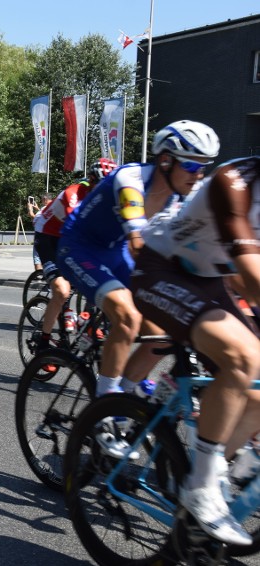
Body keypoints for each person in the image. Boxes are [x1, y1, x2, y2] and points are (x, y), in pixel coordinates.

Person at [131, 156, 260, 546]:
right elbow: (253, 283)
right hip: (162, 270)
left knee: (256, 389)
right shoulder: (233, 180)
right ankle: (199, 487)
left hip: (212, 280)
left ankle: (214, 468)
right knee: (244, 358)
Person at [57, 121, 220, 402]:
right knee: (128, 316)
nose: (198, 175)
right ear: (166, 161)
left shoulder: (184, 197)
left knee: (163, 334)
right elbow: (138, 244)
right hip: (79, 248)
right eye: (192, 166)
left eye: (204, 167)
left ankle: (128, 395)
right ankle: (104, 405)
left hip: (114, 251)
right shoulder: (131, 178)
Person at [32, 159, 117, 352]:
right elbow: (79, 231)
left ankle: (85, 323)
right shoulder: (73, 194)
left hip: (70, 238)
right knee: (62, 290)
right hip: (48, 236)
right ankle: (44, 340)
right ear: (92, 181)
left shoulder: (108, 198)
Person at [27, 193, 50, 271]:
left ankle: (39, 276)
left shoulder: (44, 208)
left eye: (42, 200)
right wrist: (37, 208)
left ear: (45, 200)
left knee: (37, 257)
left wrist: (30, 209)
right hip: (51, 236)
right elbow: (44, 216)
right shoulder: (53, 207)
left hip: (40, 236)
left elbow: (34, 217)